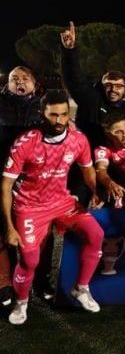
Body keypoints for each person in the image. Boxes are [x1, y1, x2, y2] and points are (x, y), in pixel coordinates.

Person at [3, 91, 104, 324]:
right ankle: (21, 303)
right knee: (30, 261)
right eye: (53, 115)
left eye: (64, 115)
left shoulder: (79, 139)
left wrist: (96, 189)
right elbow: (6, 185)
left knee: (96, 234)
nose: (60, 121)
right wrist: (9, 226)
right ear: (41, 114)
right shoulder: (26, 143)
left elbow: (87, 169)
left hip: (62, 202)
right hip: (29, 207)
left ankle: (81, 288)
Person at [0, 65, 43, 305]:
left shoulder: (43, 106)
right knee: (2, 229)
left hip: (32, 179)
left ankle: (33, 280)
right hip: (3, 175)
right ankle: (4, 283)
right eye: (14, 78)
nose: (19, 81)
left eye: (25, 78)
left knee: (30, 231)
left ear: (34, 84)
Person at [60, 21, 125, 146]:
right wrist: (70, 52)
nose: (113, 89)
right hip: (89, 156)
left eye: (119, 86)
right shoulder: (91, 100)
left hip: (117, 160)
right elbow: (74, 80)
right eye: (108, 85)